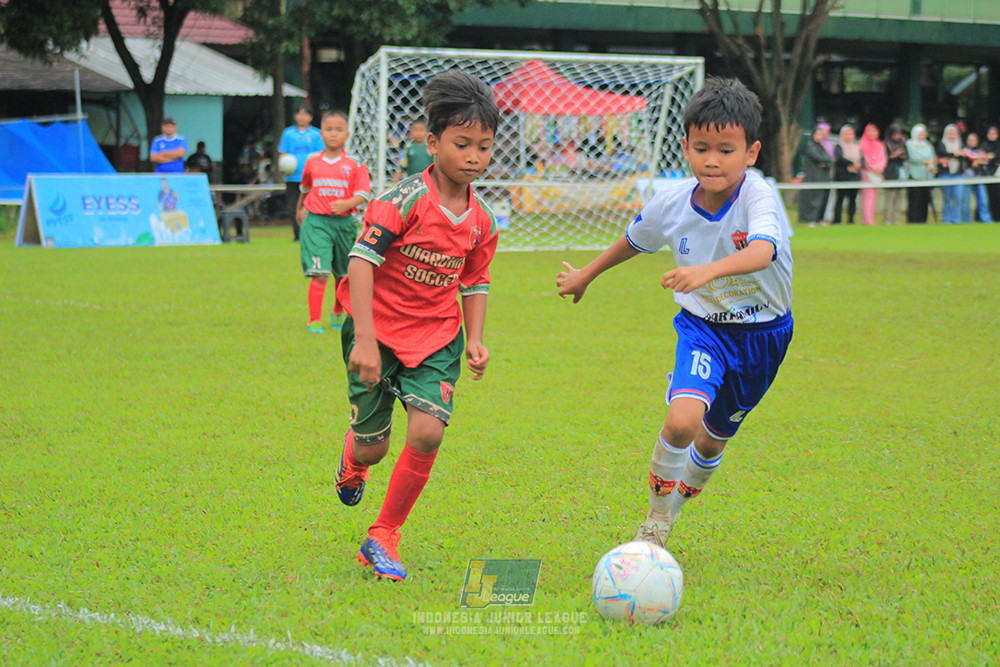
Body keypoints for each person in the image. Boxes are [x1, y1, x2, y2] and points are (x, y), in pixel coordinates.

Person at [556, 78, 793, 548]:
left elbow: (763, 251)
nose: (712, 159)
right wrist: (587, 274)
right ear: (685, 146)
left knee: (711, 441)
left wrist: (706, 271)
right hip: (703, 327)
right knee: (682, 422)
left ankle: (676, 506)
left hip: (764, 336)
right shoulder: (672, 203)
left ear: (751, 152)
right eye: (701, 147)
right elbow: (634, 239)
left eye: (726, 149)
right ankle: (656, 519)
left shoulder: (758, 197)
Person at [332, 70, 501, 581]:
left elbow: (474, 281)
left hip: (436, 339)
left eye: (485, 147)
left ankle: (383, 536)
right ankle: (354, 457)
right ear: (432, 143)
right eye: (462, 143)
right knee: (375, 447)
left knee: (428, 433)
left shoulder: (484, 221)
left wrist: (475, 340)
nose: (474, 156)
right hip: (376, 335)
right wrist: (363, 337)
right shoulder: (400, 200)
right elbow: (360, 263)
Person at [297, 110, 371, 334]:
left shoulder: (355, 164)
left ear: (347, 134)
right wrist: (299, 209)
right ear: (321, 133)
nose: (333, 134)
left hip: (344, 224)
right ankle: (314, 320)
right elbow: (305, 188)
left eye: (339, 130)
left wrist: (346, 203)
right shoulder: (312, 162)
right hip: (318, 222)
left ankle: (338, 311)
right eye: (329, 129)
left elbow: (363, 195)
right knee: (320, 273)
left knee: (343, 273)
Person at [279, 104, 325, 241]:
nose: (301, 117)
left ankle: (310, 233)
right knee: (293, 206)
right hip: (293, 177)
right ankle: (297, 235)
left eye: (305, 114)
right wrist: (282, 166)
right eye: (299, 113)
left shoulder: (316, 134)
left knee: (311, 206)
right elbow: (283, 153)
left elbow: (320, 155)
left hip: (310, 177)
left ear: (310, 117)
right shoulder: (288, 133)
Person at [798, 124, 833, 226]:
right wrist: (824, 162)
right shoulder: (810, 146)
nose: (820, 136)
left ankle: (819, 219)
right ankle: (810, 219)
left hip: (824, 178)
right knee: (813, 200)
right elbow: (818, 158)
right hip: (814, 177)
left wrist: (825, 163)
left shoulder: (822, 147)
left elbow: (829, 159)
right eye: (818, 134)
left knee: (823, 199)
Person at [936, 123, 965, 223]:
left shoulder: (961, 144)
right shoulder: (941, 144)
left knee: (958, 197)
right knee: (947, 198)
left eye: (954, 133)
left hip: (958, 174)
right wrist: (955, 154)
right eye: (950, 133)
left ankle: (956, 219)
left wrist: (953, 156)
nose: (952, 135)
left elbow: (963, 155)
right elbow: (943, 154)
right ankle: (946, 219)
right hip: (945, 174)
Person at [833, 124, 862, 224]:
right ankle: (837, 220)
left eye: (851, 134)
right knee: (840, 199)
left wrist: (856, 166)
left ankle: (851, 220)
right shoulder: (839, 146)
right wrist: (851, 164)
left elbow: (861, 159)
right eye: (847, 134)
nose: (849, 136)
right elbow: (840, 158)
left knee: (853, 199)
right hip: (843, 176)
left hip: (855, 175)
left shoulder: (857, 147)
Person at [905, 124, 935, 223]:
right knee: (914, 199)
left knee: (924, 200)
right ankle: (913, 220)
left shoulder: (927, 145)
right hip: (914, 175)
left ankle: (923, 219)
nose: (923, 135)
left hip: (926, 176)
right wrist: (925, 162)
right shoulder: (909, 144)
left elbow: (932, 158)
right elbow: (913, 158)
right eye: (921, 133)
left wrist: (930, 165)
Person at [859, 123, 887, 225]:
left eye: (874, 131)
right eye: (870, 131)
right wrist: (872, 168)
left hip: (877, 174)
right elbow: (864, 159)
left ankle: (872, 218)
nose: (872, 133)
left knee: (875, 197)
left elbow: (883, 158)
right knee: (867, 197)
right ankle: (867, 219)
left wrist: (880, 168)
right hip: (867, 173)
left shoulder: (880, 145)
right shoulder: (862, 144)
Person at [962, 132, 993, 223]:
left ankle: (985, 219)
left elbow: (986, 161)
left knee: (983, 199)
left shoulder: (980, 151)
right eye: (970, 140)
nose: (972, 142)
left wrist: (980, 160)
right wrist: (980, 159)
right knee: (966, 201)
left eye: (974, 140)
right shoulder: (964, 150)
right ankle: (966, 220)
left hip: (979, 177)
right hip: (967, 178)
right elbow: (971, 159)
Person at [882, 124, 908, 225]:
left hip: (901, 171)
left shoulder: (902, 142)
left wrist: (901, 155)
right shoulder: (887, 143)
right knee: (890, 198)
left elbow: (906, 155)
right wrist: (894, 156)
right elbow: (885, 157)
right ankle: (887, 220)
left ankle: (896, 220)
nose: (897, 136)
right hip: (890, 172)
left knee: (899, 198)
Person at [393, 118, 434, 183]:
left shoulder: (431, 148)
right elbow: (400, 167)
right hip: (412, 183)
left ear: (426, 132)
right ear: (411, 132)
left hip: (428, 182)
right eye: (416, 130)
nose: (418, 133)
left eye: (421, 130)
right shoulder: (407, 148)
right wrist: (394, 184)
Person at [982, 126, 1000, 223]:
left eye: (994, 133)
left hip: (998, 174)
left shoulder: (998, 145)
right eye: (990, 133)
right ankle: (993, 217)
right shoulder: (984, 145)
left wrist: (992, 158)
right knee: (989, 197)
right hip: (988, 175)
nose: (992, 136)